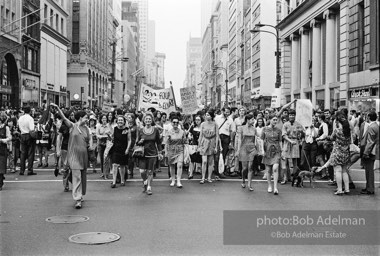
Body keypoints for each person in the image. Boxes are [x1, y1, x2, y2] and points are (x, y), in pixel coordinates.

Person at [51, 103, 92, 209]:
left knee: (82, 176)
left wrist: (90, 146)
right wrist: (58, 108)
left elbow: (88, 141)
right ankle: (78, 199)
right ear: (81, 118)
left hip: (83, 155)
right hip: (74, 155)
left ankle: (80, 194)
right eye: (86, 117)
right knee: (77, 176)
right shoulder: (72, 126)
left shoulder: (87, 129)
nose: (87, 119)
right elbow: (64, 118)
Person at [137, 112, 163, 195]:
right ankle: (145, 181)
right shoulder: (140, 130)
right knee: (142, 171)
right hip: (142, 153)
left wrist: (160, 152)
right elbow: (137, 142)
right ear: (144, 120)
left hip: (152, 153)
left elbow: (158, 142)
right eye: (146, 119)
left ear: (152, 120)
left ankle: (149, 187)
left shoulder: (155, 130)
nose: (148, 120)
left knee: (150, 171)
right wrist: (139, 142)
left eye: (149, 119)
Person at [328, 111, 351, 195]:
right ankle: (347, 189)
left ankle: (340, 190)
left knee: (338, 171)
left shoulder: (337, 131)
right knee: (345, 171)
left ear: (338, 121)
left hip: (337, 152)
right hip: (346, 153)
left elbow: (331, 138)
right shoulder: (348, 131)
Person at [261, 114, 282, 195]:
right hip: (267, 150)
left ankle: (276, 187)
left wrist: (282, 150)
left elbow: (280, 141)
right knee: (269, 170)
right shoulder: (265, 129)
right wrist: (262, 150)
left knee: (275, 168)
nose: (275, 121)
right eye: (274, 119)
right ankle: (270, 186)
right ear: (269, 120)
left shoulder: (278, 130)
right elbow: (261, 140)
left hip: (276, 150)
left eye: (276, 120)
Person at [282, 109, 304, 183]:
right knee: (285, 161)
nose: (291, 116)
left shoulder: (298, 124)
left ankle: (294, 178)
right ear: (288, 116)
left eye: (293, 115)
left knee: (295, 162)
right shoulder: (285, 124)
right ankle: (285, 178)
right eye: (290, 115)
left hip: (295, 142)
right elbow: (284, 135)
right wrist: (290, 140)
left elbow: (303, 133)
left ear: (295, 116)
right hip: (287, 142)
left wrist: (301, 135)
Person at [236, 114, 257, 191]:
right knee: (244, 168)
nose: (253, 120)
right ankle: (243, 180)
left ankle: (249, 185)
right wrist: (238, 150)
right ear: (247, 120)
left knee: (250, 167)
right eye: (252, 119)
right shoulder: (241, 128)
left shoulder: (254, 129)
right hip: (243, 148)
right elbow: (239, 140)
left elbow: (256, 139)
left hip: (251, 148)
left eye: (253, 119)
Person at [165, 115, 187, 188]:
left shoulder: (182, 132)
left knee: (179, 165)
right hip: (171, 149)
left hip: (180, 149)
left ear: (178, 123)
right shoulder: (169, 132)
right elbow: (167, 143)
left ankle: (178, 181)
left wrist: (186, 136)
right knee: (172, 166)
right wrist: (166, 151)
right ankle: (173, 180)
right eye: (174, 122)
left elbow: (184, 141)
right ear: (171, 123)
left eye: (177, 122)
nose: (175, 124)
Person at [360, 111, 379, 195]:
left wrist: (366, 153)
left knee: (369, 171)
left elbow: (370, 142)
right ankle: (369, 187)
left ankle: (370, 188)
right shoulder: (376, 126)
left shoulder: (371, 127)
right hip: (373, 150)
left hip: (370, 151)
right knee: (369, 170)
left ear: (369, 117)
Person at [198, 110, 219, 183]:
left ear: (212, 116)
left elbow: (217, 136)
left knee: (210, 162)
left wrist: (216, 146)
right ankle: (203, 177)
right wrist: (199, 145)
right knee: (204, 161)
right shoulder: (203, 124)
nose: (206, 116)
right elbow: (200, 135)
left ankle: (209, 177)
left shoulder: (215, 124)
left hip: (212, 142)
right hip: (204, 142)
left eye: (208, 115)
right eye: (206, 115)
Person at [214, 107, 236, 177]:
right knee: (216, 155)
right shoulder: (217, 118)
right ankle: (216, 170)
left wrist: (231, 141)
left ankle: (221, 171)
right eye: (226, 112)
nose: (227, 114)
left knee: (223, 155)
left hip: (226, 138)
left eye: (228, 112)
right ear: (222, 111)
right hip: (218, 137)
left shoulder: (230, 119)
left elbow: (233, 130)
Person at [111, 116, 131, 188]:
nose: (120, 121)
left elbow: (129, 140)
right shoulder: (114, 129)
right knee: (115, 165)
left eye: (121, 120)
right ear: (117, 121)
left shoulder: (127, 129)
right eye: (119, 120)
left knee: (122, 165)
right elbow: (111, 138)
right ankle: (114, 182)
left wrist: (127, 149)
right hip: (115, 149)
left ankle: (122, 180)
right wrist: (109, 136)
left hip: (124, 149)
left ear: (124, 121)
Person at [18, 106, 36, 176]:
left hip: (22, 135)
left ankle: (22, 170)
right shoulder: (30, 118)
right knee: (30, 153)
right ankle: (30, 170)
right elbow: (31, 129)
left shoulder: (20, 118)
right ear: (30, 111)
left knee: (23, 153)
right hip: (29, 135)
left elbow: (19, 127)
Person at [56, 111, 72, 192]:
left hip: (73, 148)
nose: (72, 116)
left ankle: (74, 182)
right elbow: (59, 138)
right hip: (65, 148)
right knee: (65, 168)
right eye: (71, 115)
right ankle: (66, 185)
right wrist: (58, 150)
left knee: (74, 167)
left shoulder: (74, 125)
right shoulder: (63, 127)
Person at [96, 114, 112, 179]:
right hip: (100, 144)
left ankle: (106, 173)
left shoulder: (109, 126)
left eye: (105, 118)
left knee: (106, 159)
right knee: (102, 159)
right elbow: (97, 135)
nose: (104, 120)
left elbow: (111, 135)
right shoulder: (99, 126)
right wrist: (103, 136)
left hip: (107, 144)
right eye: (103, 118)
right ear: (101, 119)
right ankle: (103, 172)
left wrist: (107, 135)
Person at [0, 115, 11, 191]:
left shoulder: (6, 128)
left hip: (2, 148)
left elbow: (9, 137)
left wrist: (3, 140)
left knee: (1, 167)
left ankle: (0, 182)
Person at [126, 113, 138, 178]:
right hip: (126, 144)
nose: (128, 119)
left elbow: (137, 136)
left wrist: (135, 144)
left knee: (132, 159)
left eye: (130, 117)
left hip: (133, 144)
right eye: (128, 118)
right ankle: (127, 170)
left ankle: (131, 171)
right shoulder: (126, 126)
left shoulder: (135, 127)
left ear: (133, 119)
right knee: (127, 158)